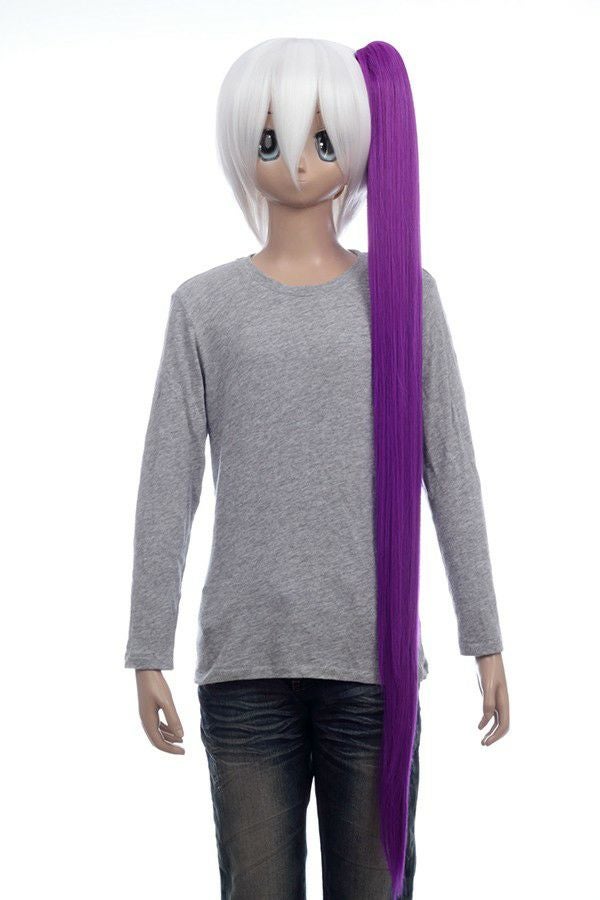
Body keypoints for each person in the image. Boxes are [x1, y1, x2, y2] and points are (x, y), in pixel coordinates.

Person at [124, 38, 510, 899]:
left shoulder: (405, 299)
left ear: (359, 150)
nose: (297, 160)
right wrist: (147, 645)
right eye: (271, 138)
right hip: (244, 667)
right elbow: (166, 484)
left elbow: (451, 470)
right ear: (242, 147)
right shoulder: (205, 308)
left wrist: (482, 635)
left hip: (370, 670)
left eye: (322, 137)